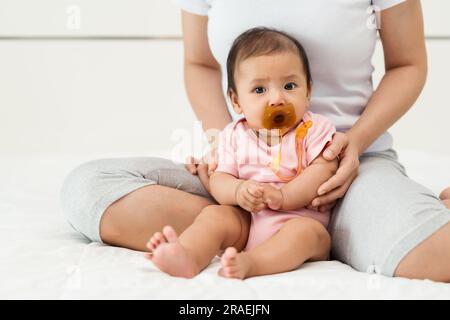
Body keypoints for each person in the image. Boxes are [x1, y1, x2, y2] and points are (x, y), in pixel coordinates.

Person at [60, 0, 450, 281]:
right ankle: (249, 235)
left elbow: (408, 64)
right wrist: (221, 152)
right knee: (88, 188)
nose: (276, 97)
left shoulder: (324, 135)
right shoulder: (236, 140)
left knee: (440, 256)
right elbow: (199, 63)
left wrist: (356, 142)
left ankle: (343, 225)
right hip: (248, 183)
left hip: (349, 167)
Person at [146, 27, 338, 279]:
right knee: (216, 215)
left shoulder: (314, 128)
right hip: (249, 223)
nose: (277, 99)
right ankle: (188, 255)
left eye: (289, 85)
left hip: (299, 222)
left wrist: (283, 196)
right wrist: (238, 191)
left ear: (308, 91)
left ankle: (253, 264)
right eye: (259, 90)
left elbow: (325, 170)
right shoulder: (233, 136)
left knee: (305, 233)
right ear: (236, 101)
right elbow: (219, 178)